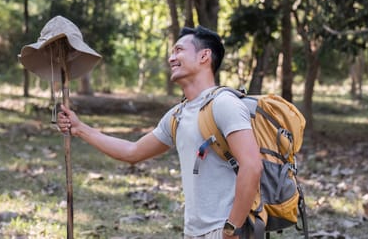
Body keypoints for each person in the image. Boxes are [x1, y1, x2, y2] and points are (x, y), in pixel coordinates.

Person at [57, 26, 262, 239]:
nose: (171, 58)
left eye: (179, 50)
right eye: (172, 52)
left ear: (204, 56)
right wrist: (80, 129)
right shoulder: (177, 115)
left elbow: (252, 165)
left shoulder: (224, 103)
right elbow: (132, 152)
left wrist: (232, 227)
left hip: (225, 231)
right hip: (194, 232)